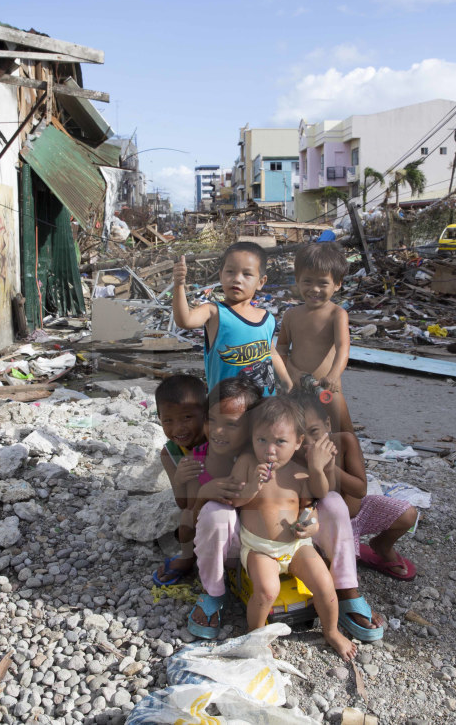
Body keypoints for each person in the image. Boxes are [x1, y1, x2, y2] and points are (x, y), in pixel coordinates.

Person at [230, 397, 357, 661]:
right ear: (252, 437)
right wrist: (253, 485)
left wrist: (309, 522)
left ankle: (331, 631)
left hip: (296, 546)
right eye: (261, 440)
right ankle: (256, 635)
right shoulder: (246, 463)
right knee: (266, 591)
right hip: (260, 548)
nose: (270, 450)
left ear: (298, 442)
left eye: (280, 442)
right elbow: (235, 501)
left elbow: (317, 497)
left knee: (324, 584)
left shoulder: (299, 472)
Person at [297, 392, 418, 581]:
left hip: (360, 513)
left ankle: (381, 546)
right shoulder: (296, 454)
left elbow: (360, 489)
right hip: (329, 527)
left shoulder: (345, 442)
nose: (310, 443)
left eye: (314, 432)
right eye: (301, 436)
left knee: (408, 515)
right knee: (341, 573)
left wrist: (330, 467)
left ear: (328, 424)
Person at [186, 377, 261, 637]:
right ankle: (214, 592)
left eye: (231, 425)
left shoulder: (261, 457)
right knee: (216, 513)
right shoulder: (197, 459)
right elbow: (189, 521)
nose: (218, 431)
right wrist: (203, 495)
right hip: (225, 553)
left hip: (263, 547)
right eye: (212, 421)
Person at [172, 242, 288, 396]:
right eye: (230, 272)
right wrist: (179, 285)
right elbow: (184, 321)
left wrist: (287, 382)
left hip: (263, 408)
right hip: (226, 409)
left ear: (261, 282)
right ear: (221, 275)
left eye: (247, 274)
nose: (237, 279)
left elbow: (271, 352)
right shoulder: (214, 311)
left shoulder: (267, 319)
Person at [275, 242, 354, 432]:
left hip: (327, 389)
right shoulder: (291, 315)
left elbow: (343, 347)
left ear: (337, 284)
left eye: (323, 283)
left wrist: (334, 375)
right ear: (297, 280)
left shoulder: (337, 314)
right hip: (297, 389)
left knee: (342, 433)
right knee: (296, 434)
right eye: (308, 281)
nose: (315, 289)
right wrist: (290, 373)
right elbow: (282, 349)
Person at [153, 374, 209, 586]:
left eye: (187, 417)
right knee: (186, 521)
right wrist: (180, 479)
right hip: (193, 511)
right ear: (159, 418)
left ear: (205, 414)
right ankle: (188, 558)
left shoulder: (217, 441)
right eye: (168, 420)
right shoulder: (170, 453)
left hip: (222, 505)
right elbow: (182, 502)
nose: (178, 429)